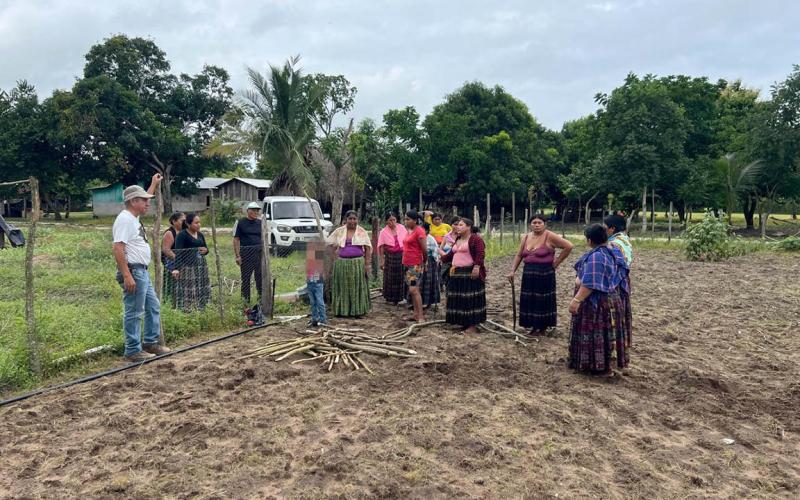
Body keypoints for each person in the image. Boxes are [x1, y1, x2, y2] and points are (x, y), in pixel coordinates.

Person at [112, 175, 171, 362]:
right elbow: (118, 247)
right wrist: (127, 275)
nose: (148, 203)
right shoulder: (125, 220)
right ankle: (132, 350)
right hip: (134, 271)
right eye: (144, 201)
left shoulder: (133, 217)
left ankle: (150, 343)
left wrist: (153, 185)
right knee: (135, 311)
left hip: (141, 271)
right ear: (133, 201)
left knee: (153, 306)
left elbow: (145, 200)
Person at [568, 223, 628, 376]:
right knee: (602, 334)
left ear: (589, 240)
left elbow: (590, 283)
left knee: (599, 334)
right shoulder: (612, 251)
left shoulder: (597, 256)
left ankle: (602, 368)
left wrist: (576, 300)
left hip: (599, 303)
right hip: (609, 300)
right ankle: (595, 365)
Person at [507, 214, 574, 335]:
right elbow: (519, 255)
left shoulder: (550, 236)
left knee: (542, 299)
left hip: (545, 273)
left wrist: (556, 263)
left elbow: (569, 246)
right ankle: (533, 325)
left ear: (545, 224)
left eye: (539, 223)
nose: (537, 225)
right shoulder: (526, 237)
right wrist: (512, 270)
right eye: (534, 223)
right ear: (530, 225)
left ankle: (542, 327)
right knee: (529, 299)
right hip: (528, 272)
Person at [440, 217, 486, 333]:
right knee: (460, 299)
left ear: (469, 227)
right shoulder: (458, 239)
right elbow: (450, 254)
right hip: (456, 273)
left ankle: (472, 325)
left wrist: (476, 267)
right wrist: (441, 256)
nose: (457, 227)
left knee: (470, 299)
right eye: (457, 225)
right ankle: (464, 323)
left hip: (469, 273)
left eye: (461, 225)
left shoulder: (475, 239)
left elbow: (480, 254)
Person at [326, 210, 373, 317]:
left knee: (357, 287)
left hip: (357, 264)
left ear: (357, 220)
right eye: (350, 219)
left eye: (354, 219)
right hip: (342, 264)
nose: (352, 221)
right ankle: (343, 311)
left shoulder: (361, 231)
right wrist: (334, 256)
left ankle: (358, 311)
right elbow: (329, 244)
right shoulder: (339, 231)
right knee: (343, 287)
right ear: (346, 220)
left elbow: (367, 248)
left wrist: (367, 264)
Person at [605, 214, 634, 348]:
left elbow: (613, 267)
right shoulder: (624, 239)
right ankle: (622, 342)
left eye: (605, 226)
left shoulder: (613, 244)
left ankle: (613, 345)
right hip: (623, 279)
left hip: (615, 281)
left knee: (613, 312)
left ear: (612, 228)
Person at [173, 213, 211, 312]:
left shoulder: (200, 234)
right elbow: (178, 251)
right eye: (196, 223)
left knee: (201, 285)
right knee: (189, 287)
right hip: (188, 266)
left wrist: (206, 250)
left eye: (199, 222)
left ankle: (202, 306)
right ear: (188, 224)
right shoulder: (182, 235)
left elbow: (206, 248)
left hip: (201, 265)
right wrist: (176, 268)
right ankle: (188, 309)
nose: (199, 225)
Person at [233, 202, 264, 304]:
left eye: (257, 210)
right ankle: (246, 302)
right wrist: (237, 256)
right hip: (246, 254)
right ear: (248, 211)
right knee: (246, 279)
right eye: (253, 210)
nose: (255, 212)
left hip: (259, 254)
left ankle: (261, 301)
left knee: (259, 278)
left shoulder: (260, 223)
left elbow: (264, 238)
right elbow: (236, 239)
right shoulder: (241, 222)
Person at [376, 212, 408, 305]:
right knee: (390, 277)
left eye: (394, 220)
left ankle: (401, 297)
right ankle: (390, 297)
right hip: (390, 257)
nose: (392, 222)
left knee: (401, 276)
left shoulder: (401, 228)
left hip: (402, 255)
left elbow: (406, 242)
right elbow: (381, 247)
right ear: (386, 221)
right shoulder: (383, 232)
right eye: (390, 220)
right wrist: (382, 260)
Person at [402, 210, 428, 323]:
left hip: (415, 265)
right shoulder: (409, 231)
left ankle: (421, 316)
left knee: (414, 290)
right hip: (407, 264)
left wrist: (425, 262)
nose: (405, 221)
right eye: (405, 219)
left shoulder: (419, 232)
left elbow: (425, 250)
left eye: (408, 219)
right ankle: (415, 314)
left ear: (415, 220)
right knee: (412, 290)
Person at [161, 211, 185, 303]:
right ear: (174, 221)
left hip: (183, 260)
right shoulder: (170, 233)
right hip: (171, 262)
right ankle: (171, 301)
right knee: (173, 284)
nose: (185, 222)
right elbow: (166, 250)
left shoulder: (184, 231)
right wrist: (179, 260)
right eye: (182, 220)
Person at [306, 238, 327, 327]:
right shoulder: (310, 257)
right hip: (310, 282)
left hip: (317, 282)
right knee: (312, 302)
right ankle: (314, 318)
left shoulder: (319, 257)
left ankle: (322, 319)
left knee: (319, 301)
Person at [419, 223, 441, 308]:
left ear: (427, 230)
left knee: (428, 281)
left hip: (429, 261)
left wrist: (428, 261)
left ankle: (428, 302)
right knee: (417, 282)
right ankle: (417, 302)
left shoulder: (431, 239)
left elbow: (435, 253)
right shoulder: (418, 237)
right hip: (417, 260)